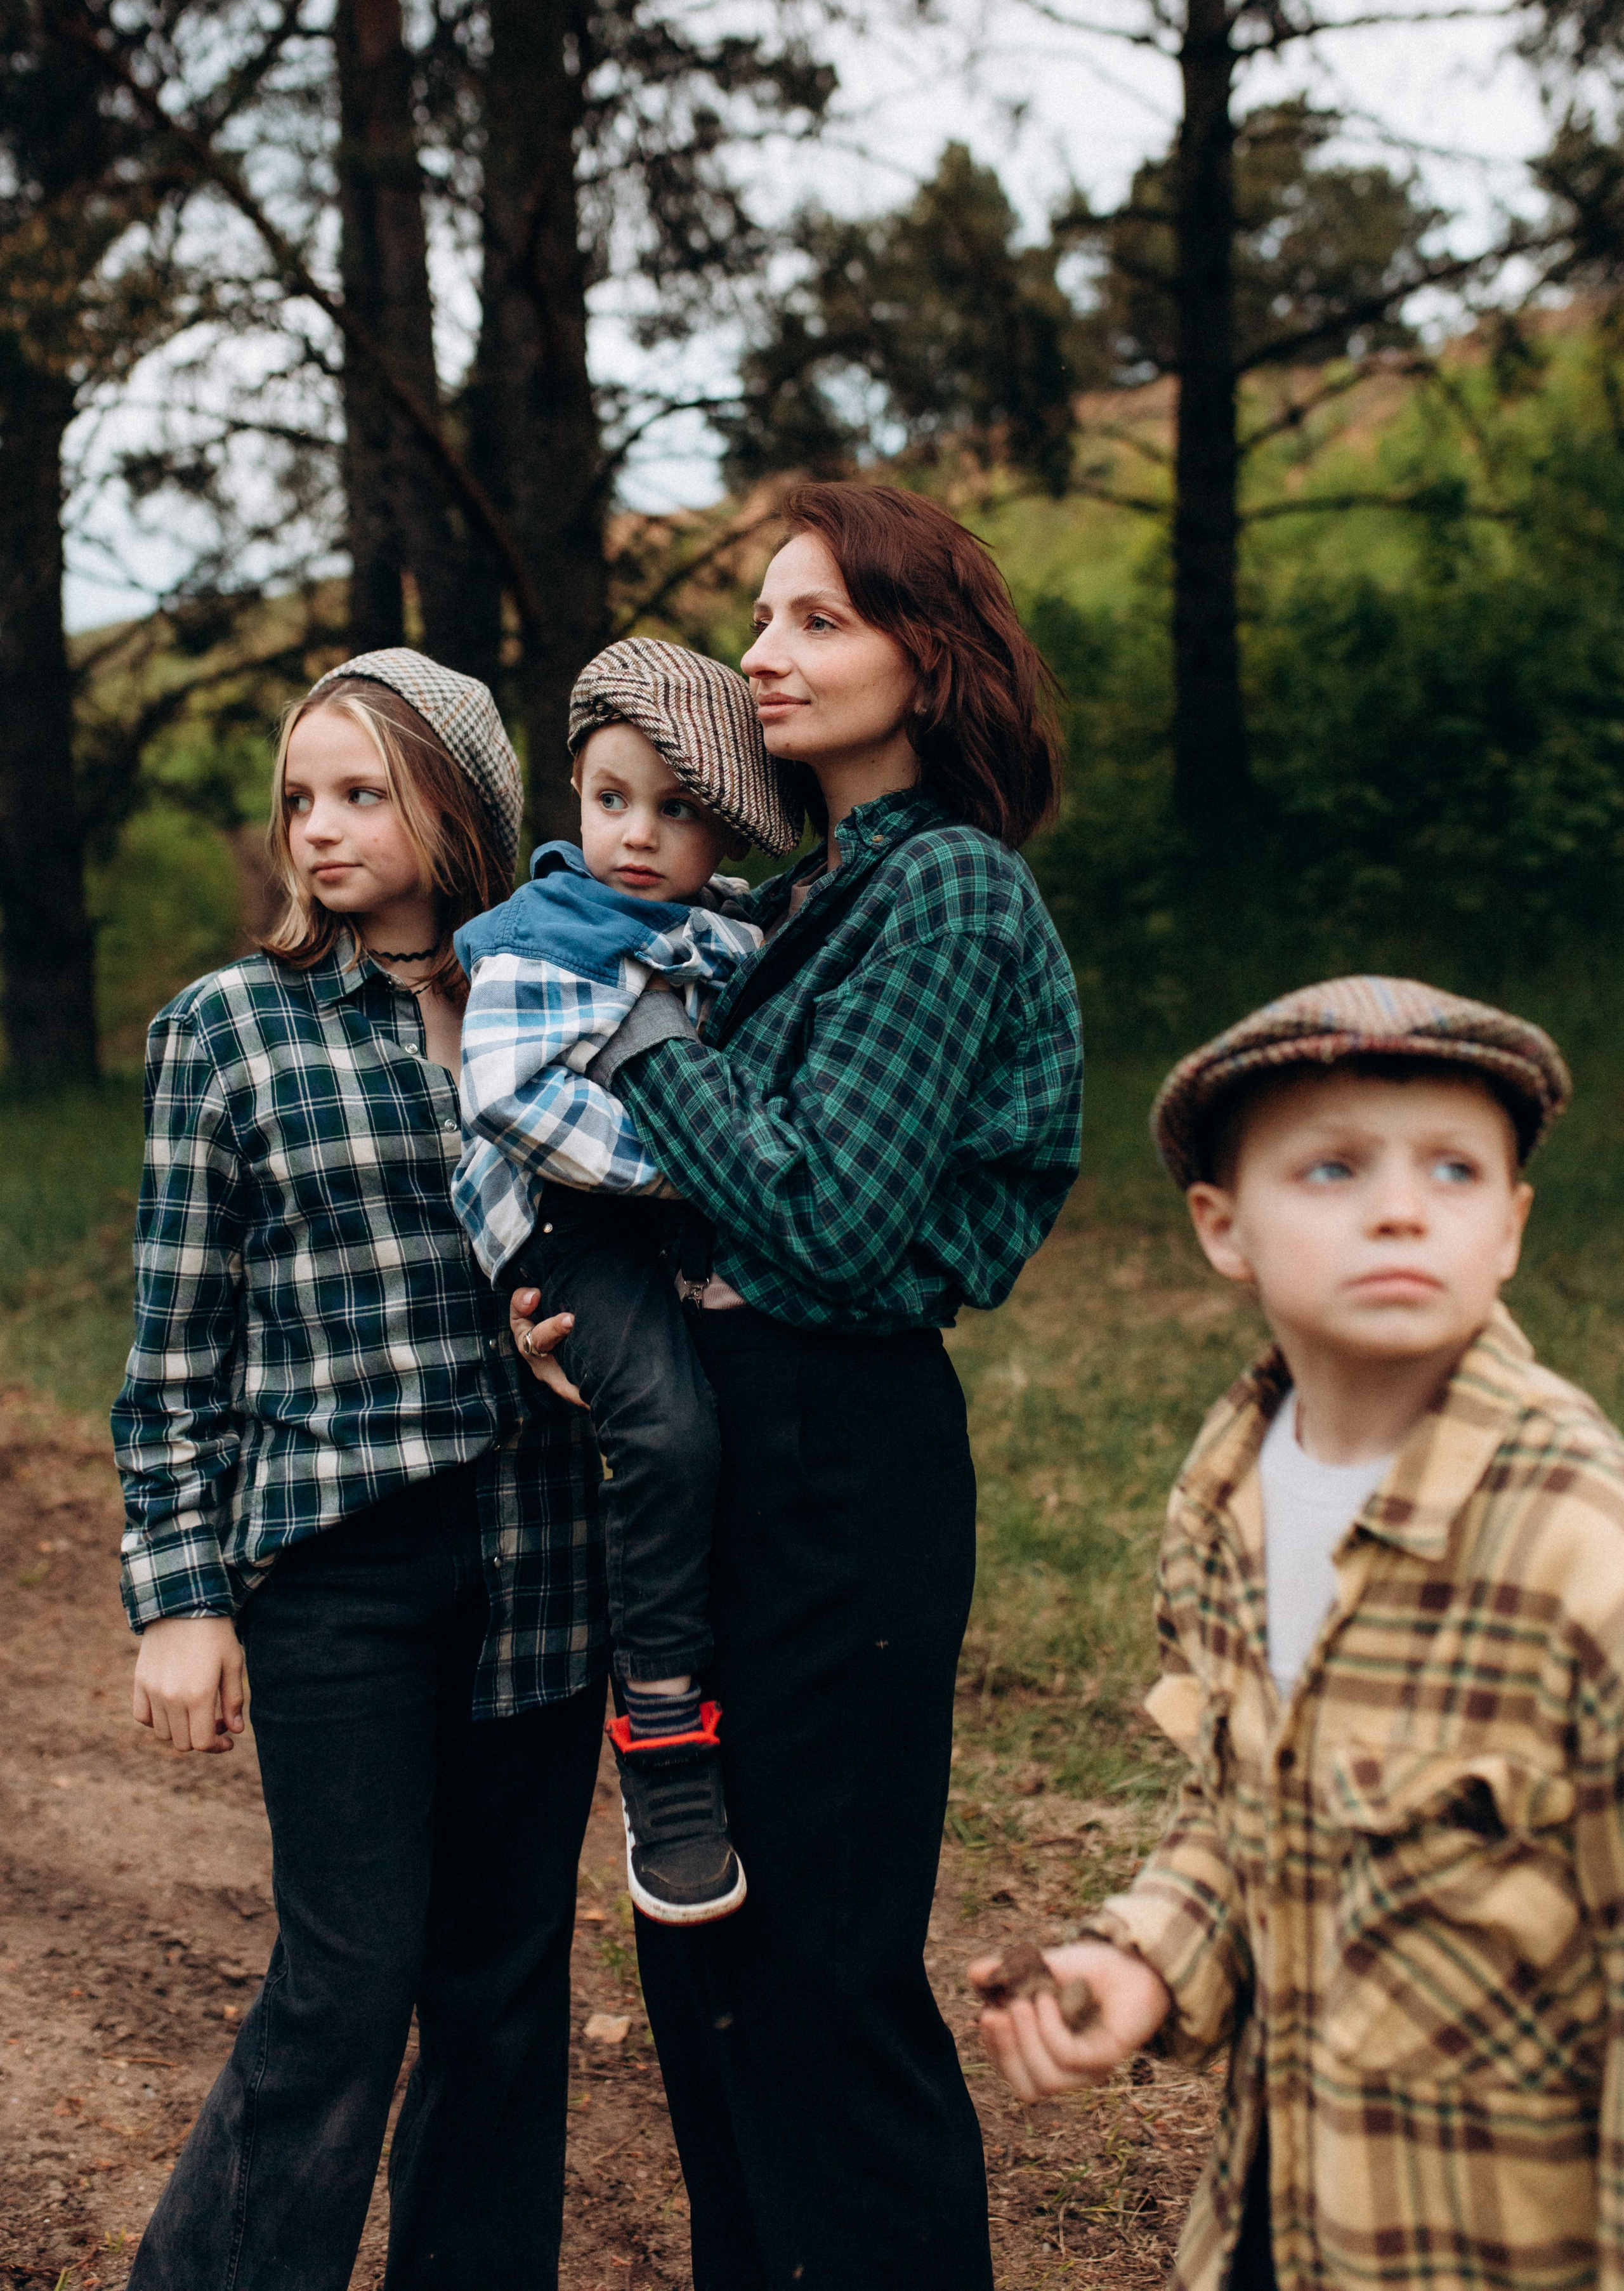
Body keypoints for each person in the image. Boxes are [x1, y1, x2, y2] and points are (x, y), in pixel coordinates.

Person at [516, 482, 1084, 2290]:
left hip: (843, 1452)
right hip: (719, 1420)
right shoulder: (801, 897)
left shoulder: (950, 891)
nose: (763, 655)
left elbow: (830, 1220)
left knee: (823, 1977)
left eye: (816, 619)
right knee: (711, 1972)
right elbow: (704, 1192)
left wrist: (654, 1043)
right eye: (762, 618)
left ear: (932, 655)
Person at [975, 975, 1624, 2291]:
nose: (1397, 1206)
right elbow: (1250, 1806)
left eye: (1451, 1170)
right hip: (1291, 2216)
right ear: (1223, 1229)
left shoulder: (1576, 1553)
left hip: (1507, 2241)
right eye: (1329, 1169)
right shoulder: (1226, 1498)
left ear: (1506, 1227)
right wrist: (1144, 1957)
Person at [112, 648, 604, 2291]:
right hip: (340, 1576)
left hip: (545, 1563)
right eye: (298, 800)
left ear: (457, 808)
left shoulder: (557, 1008)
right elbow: (176, 1350)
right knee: (348, 1976)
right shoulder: (230, 1035)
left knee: (505, 1985)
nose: (316, 831)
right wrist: (182, 1599)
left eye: (359, 793)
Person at [454, 637, 801, 1925]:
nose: (637, 837)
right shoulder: (549, 934)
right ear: (574, 801)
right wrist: (677, 1166)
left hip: (668, 1226)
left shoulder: (714, 930)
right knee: (663, 1427)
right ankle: (658, 1726)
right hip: (575, 1225)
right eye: (610, 801)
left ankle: (737, 1671)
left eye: (677, 811)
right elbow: (507, 1097)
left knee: (740, 1427)